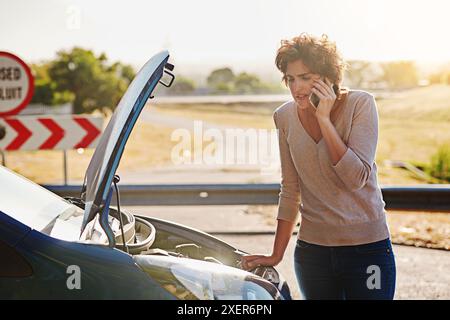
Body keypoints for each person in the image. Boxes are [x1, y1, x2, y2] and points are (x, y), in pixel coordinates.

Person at [241, 33, 396, 300]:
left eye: (305, 77)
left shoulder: (361, 104)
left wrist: (324, 119)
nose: (296, 87)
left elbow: (356, 177)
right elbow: (290, 189)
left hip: (367, 250)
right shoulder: (284, 117)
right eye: (290, 78)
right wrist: (277, 254)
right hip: (313, 255)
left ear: (328, 77)